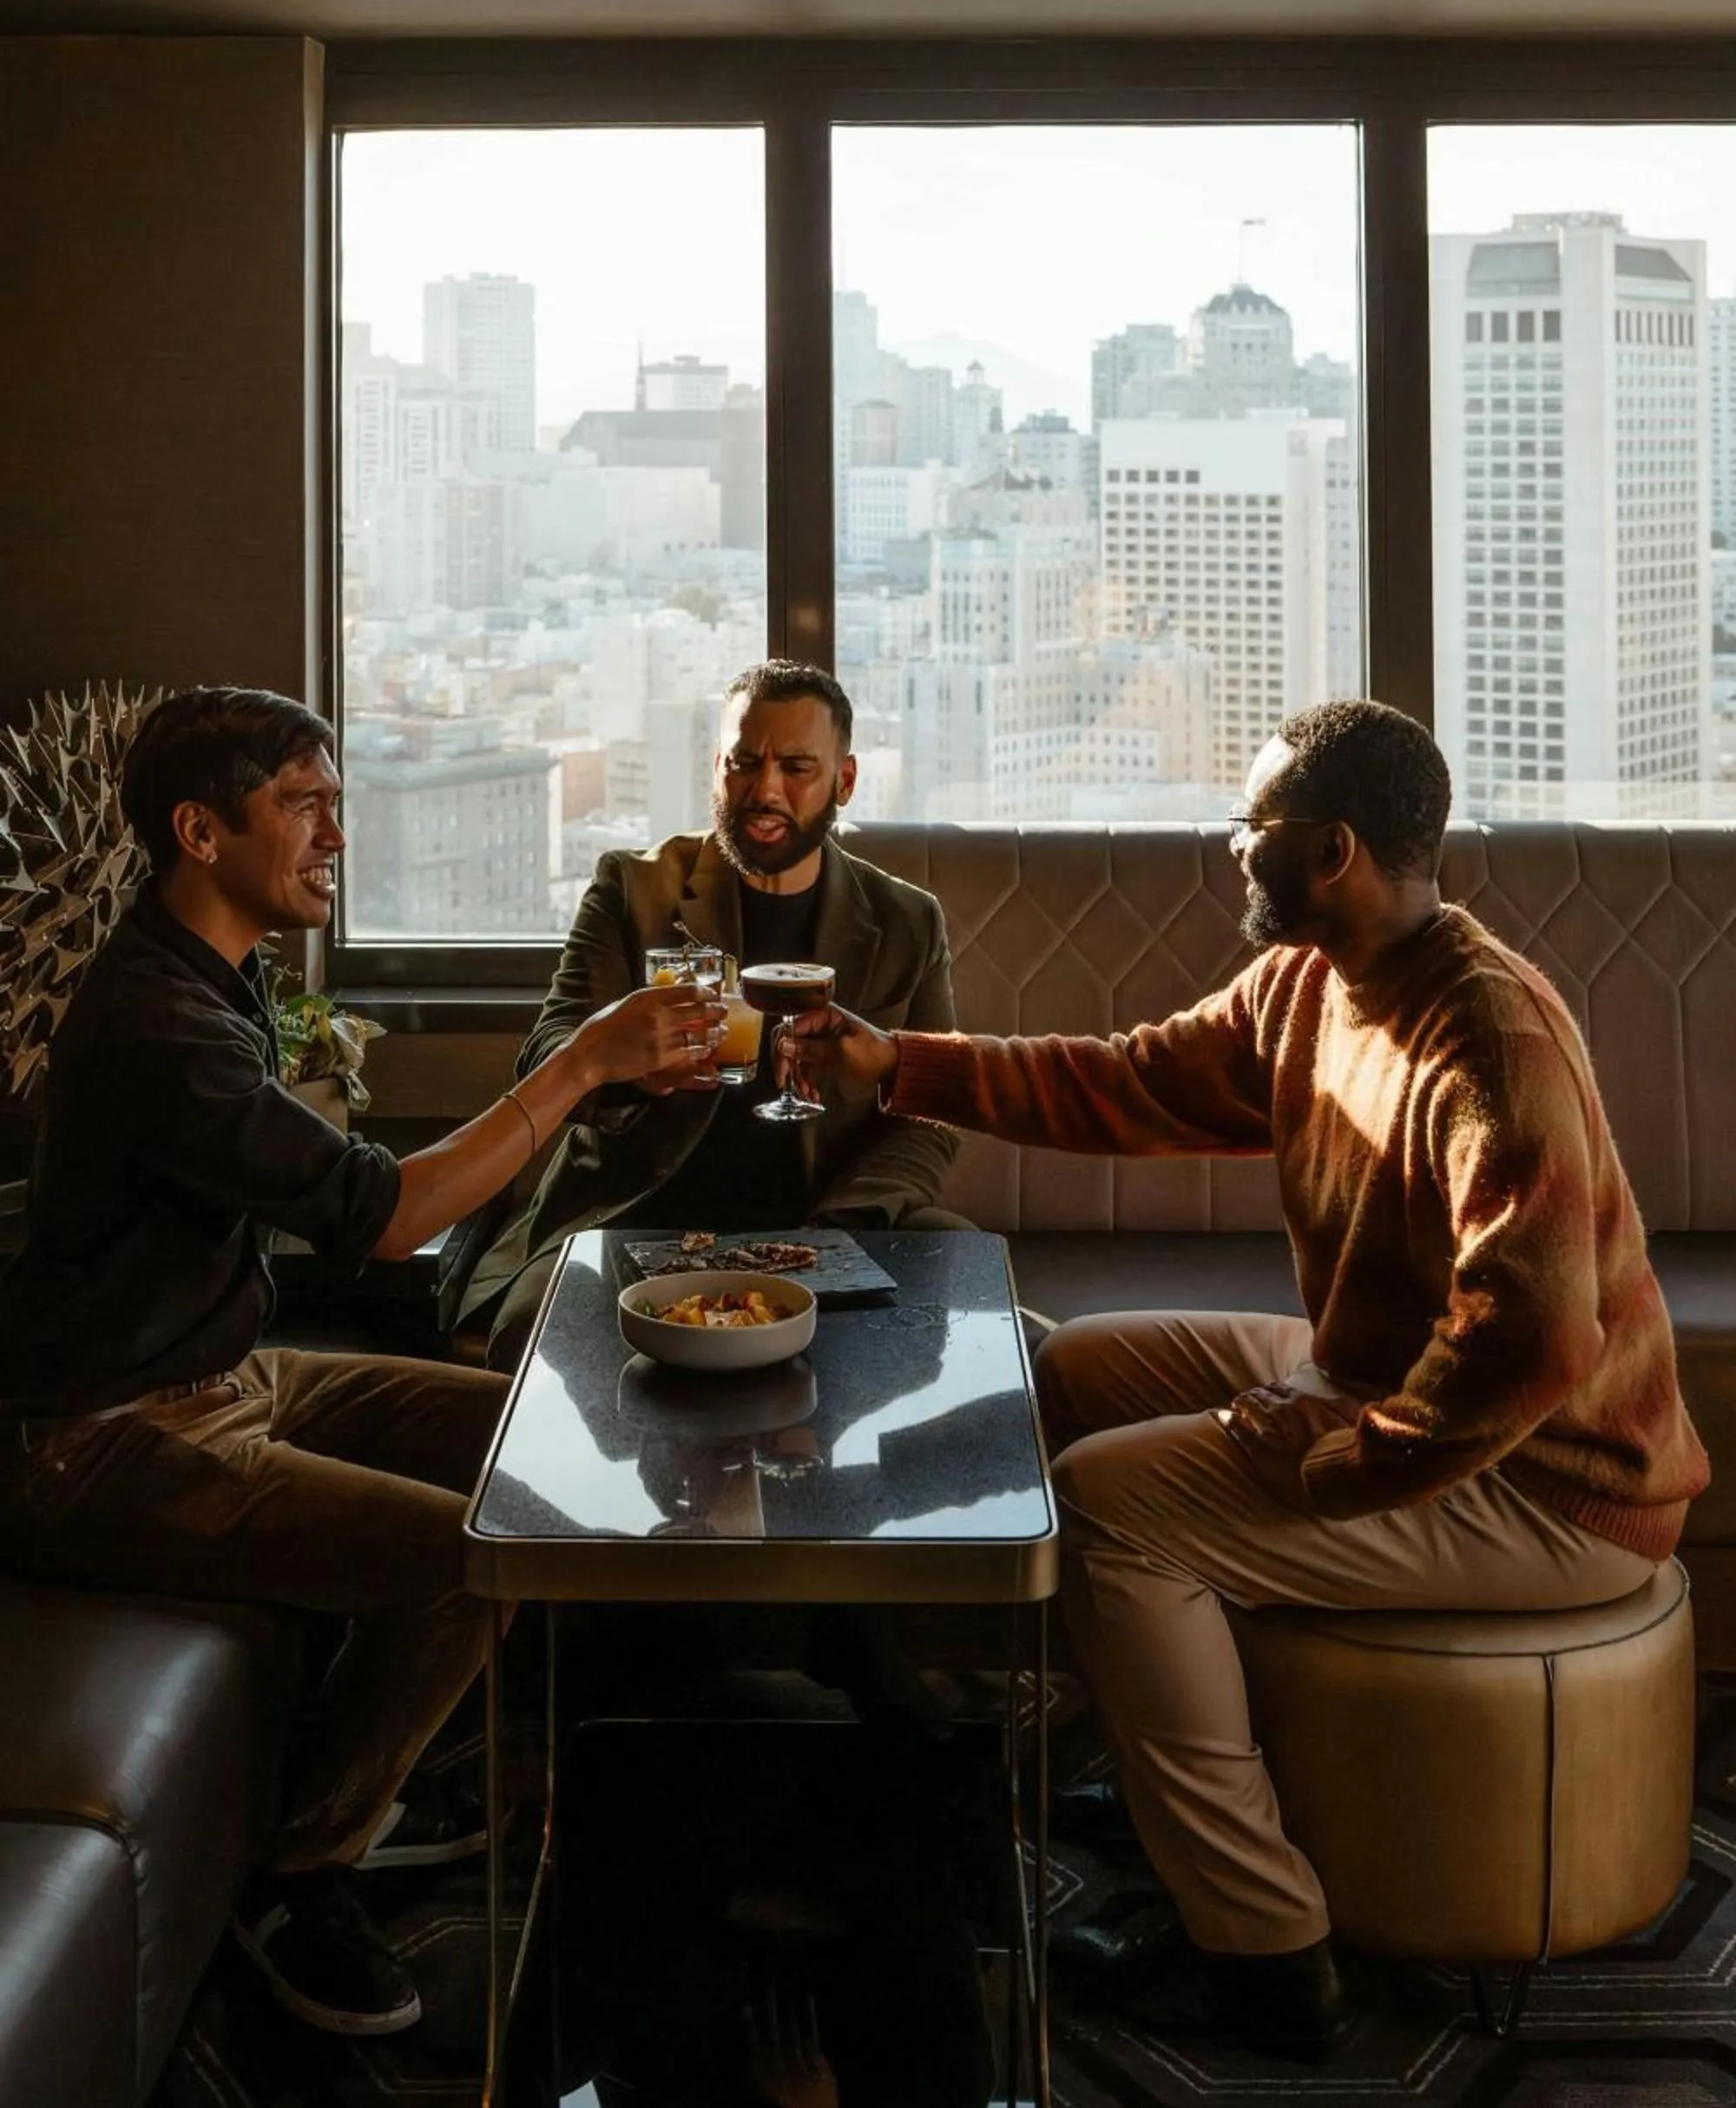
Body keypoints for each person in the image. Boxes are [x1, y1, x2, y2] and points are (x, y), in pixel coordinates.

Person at [786, 698, 1711, 2061]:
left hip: (1548, 1476)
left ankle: (1263, 1947)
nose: (1232, 842)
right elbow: (1126, 1084)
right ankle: (1161, 1763)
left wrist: (1341, 1453)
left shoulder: (1486, 1039)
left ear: (1331, 849)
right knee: (1074, 1372)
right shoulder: (1311, 981)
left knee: (1103, 1505)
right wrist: (901, 1067)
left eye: (1252, 821)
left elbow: (1532, 1344)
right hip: (1396, 1385)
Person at [0, 686, 722, 2041]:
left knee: (536, 1439)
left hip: (228, 1378)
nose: (340, 828)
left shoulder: (217, 974)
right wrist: (577, 1067)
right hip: (99, 1439)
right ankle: (300, 1874)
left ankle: (431, 1761)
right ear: (199, 831)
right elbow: (381, 1212)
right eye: (305, 804)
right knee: (474, 1553)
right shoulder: (158, 1026)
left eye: (338, 796)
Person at [463, 659, 968, 1372]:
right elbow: (546, 1050)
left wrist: (836, 1230)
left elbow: (927, 1114)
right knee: (535, 1339)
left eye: (797, 767)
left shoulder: (907, 921)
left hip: (832, 1218)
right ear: (717, 767)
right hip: (635, 1217)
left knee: (974, 1323)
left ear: (844, 782)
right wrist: (634, 1074)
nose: (765, 790)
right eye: (745, 763)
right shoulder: (633, 888)